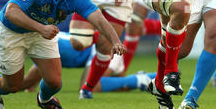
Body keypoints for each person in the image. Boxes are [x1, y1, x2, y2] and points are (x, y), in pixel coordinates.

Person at [0, 0, 126, 109]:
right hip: (11, 31)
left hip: (41, 32)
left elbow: (98, 19)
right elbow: (11, 12)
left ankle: (44, 99)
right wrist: (41, 28)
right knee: (13, 85)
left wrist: (116, 41)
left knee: (55, 82)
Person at [22, 32, 156, 93]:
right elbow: (30, 80)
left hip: (102, 50)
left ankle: (145, 78)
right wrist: (28, 84)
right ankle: (140, 80)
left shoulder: (40, 44)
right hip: (98, 53)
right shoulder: (40, 44)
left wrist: (20, 84)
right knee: (119, 86)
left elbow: (27, 81)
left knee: (90, 87)